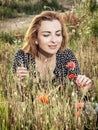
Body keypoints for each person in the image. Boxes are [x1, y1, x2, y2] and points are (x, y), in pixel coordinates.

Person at [12, 11, 92, 94]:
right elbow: (22, 96)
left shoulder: (66, 55)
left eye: (58, 34)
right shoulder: (22, 56)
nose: (54, 40)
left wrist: (83, 88)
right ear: (35, 38)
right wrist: (23, 84)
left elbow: (76, 92)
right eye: (46, 35)